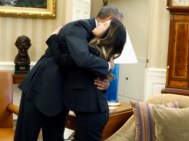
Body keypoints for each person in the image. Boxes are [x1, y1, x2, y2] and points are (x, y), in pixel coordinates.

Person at [14, 5, 124, 141]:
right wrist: (107, 66)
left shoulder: (100, 40)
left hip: (62, 95)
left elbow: (75, 61)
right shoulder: (78, 27)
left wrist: (106, 80)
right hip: (40, 88)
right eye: (118, 24)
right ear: (110, 19)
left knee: (54, 136)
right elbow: (81, 59)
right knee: (25, 136)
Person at [49, 17, 126, 141]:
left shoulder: (92, 52)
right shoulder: (100, 52)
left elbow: (61, 59)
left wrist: (52, 37)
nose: (100, 23)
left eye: (105, 24)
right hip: (90, 111)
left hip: (92, 113)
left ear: (108, 34)